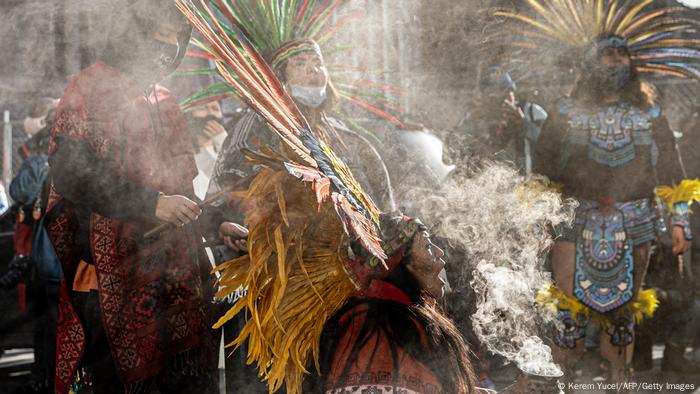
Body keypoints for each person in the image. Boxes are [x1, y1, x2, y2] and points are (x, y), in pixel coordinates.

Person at [497, 2, 700, 391]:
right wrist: (534, 218)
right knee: (568, 315)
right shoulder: (566, 111)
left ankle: (618, 383)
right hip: (575, 219)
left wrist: (679, 222)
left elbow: (674, 172)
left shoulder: (650, 112)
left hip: (634, 221)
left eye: (622, 53)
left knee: (622, 316)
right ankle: (565, 382)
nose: (616, 61)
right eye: (607, 54)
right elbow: (542, 170)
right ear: (590, 62)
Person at [44, 1, 217, 392]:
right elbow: (71, 172)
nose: (168, 46)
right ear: (133, 32)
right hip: (109, 276)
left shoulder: (167, 101)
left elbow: (185, 185)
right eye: (159, 33)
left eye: (176, 36)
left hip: (175, 276)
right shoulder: (89, 87)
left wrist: (215, 223)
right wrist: (151, 203)